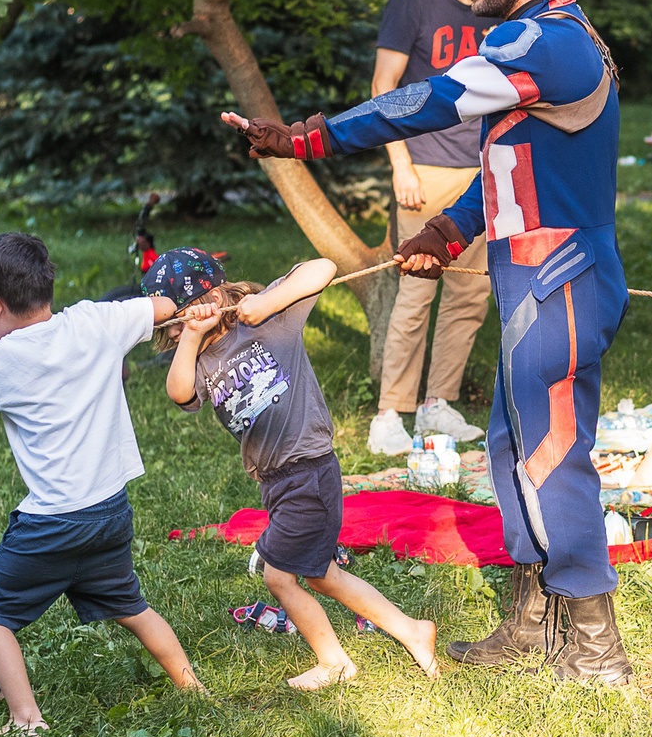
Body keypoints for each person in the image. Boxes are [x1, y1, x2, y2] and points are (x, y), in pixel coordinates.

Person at [220, 0, 634, 686]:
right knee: (514, 448)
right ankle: (529, 619)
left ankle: (595, 644)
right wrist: (450, 230)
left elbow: (432, 99)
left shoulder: (553, 42)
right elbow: (519, 168)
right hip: (530, 273)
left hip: (562, 279)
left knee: (553, 454)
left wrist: (308, 138)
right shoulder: (533, 39)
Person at [0, 232, 207, 734]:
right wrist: (188, 311)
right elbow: (162, 305)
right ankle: (192, 688)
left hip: (54, 523)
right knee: (132, 607)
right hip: (109, 510)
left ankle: (26, 717)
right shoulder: (96, 320)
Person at [158, 248, 442, 691]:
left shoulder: (269, 320)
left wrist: (270, 301)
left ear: (212, 295)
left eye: (179, 320)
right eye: (174, 328)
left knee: (279, 576)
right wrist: (192, 338)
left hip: (307, 468)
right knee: (323, 575)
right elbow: (178, 393)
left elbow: (323, 269)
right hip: (276, 480)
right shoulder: (197, 357)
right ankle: (411, 629)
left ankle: (334, 661)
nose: (176, 332)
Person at [367, 0, 495, 455]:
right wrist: (400, 164)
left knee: (471, 296)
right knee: (415, 294)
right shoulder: (413, 2)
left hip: (484, 172)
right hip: (426, 169)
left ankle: (437, 406)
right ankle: (389, 415)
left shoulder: (499, 3)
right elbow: (384, 86)